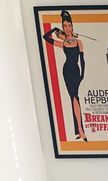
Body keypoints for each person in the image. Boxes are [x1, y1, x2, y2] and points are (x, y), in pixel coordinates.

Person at [43, 10, 87, 141]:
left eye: (69, 25)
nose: (67, 28)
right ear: (62, 29)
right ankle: (80, 130)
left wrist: (82, 75)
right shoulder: (62, 44)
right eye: (64, 26)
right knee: (74, 97)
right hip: (67, 71)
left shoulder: (79, 41)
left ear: (72, 27)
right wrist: (54, 29)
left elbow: (82, 60)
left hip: (76, 71)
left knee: (75, 97)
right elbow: (45, 37)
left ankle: (79, 130)